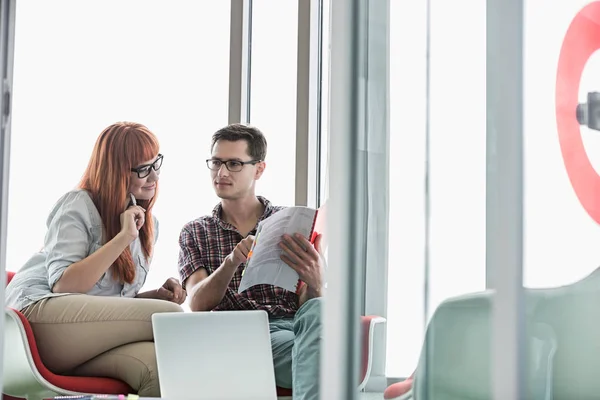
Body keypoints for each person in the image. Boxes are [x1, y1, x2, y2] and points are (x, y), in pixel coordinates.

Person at [5, 122, 186, 397]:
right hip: (31, 325)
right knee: (171, 319)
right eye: (142, 169)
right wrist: (123, 238)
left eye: (156, 164)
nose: (154, 177)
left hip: (79, 341)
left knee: (159, 367)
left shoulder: (147, 224)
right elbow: (65, 286)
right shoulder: (78, 204)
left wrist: (155, 295)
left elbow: (106, 302)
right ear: (116, 172)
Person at [178, 123, 324, 400]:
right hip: (243, 334)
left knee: (320, 310)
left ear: (258, 169)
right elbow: (196, 303)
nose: (221, 173)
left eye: (234, 163)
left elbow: (309, 302)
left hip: (297, 326)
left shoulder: (292, 222)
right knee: (327, 362)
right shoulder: (196, 231)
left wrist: (316, 282)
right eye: (216, 162)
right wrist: (232, 261)